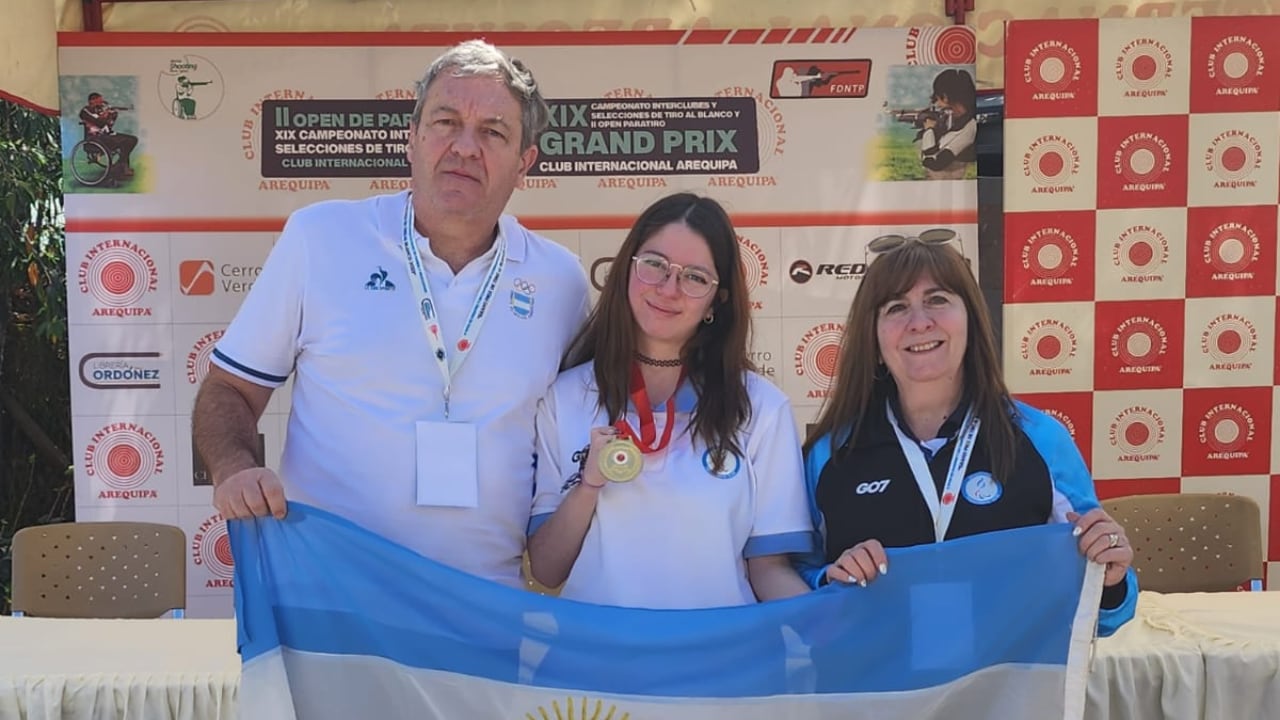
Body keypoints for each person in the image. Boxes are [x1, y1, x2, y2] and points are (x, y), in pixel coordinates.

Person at [192, 40, 590, 588]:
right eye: (446, 121)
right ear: (413, 137)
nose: (464, 147)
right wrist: (233, 468)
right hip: (330, 597)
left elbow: (574, 442)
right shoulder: (321, 238)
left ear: (525, 162)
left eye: (493, 132)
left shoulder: (561, 281)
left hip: (485, 606)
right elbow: (228, 391)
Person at [794, 233, 1137, 636]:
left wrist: (1111, 575)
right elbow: (794, 577)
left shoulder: (1040, 439)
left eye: (938, 300)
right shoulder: (830, 453)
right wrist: (827, 581)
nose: (919, 322)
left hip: (1002, 692)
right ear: (873, 334)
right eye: (896, 307)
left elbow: (1106, 612)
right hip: (874, 692)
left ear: (971, 315)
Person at [526, 193, 813, 609]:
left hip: (717, 663)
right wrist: (588, 486)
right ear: (626, 268)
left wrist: (828, 629)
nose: (668, 289)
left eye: (695, 277)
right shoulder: (566, 398)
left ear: (718, 300)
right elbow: (548, 569)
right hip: (598, 666)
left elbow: (769, 571)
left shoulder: (760, 408)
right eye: (654, 265)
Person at [917, 68, 976, 180]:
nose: (938, 104)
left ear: (946, 97)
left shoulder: (968, 127)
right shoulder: (960, 121)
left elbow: (933, 162)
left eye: (938, 98)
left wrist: (929, 130)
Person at [78, 92, 138, 184]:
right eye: (99, 101)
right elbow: (99, 123)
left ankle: (120, 164)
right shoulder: (85, 111)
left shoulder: (100, 109)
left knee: (132, 139)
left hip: (107, 135)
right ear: (92, 101)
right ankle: (121, 167)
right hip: (96, 138)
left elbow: (109, 125)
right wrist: (106, 115)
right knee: (124, 142)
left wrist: (112, 115)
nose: (101, 103)